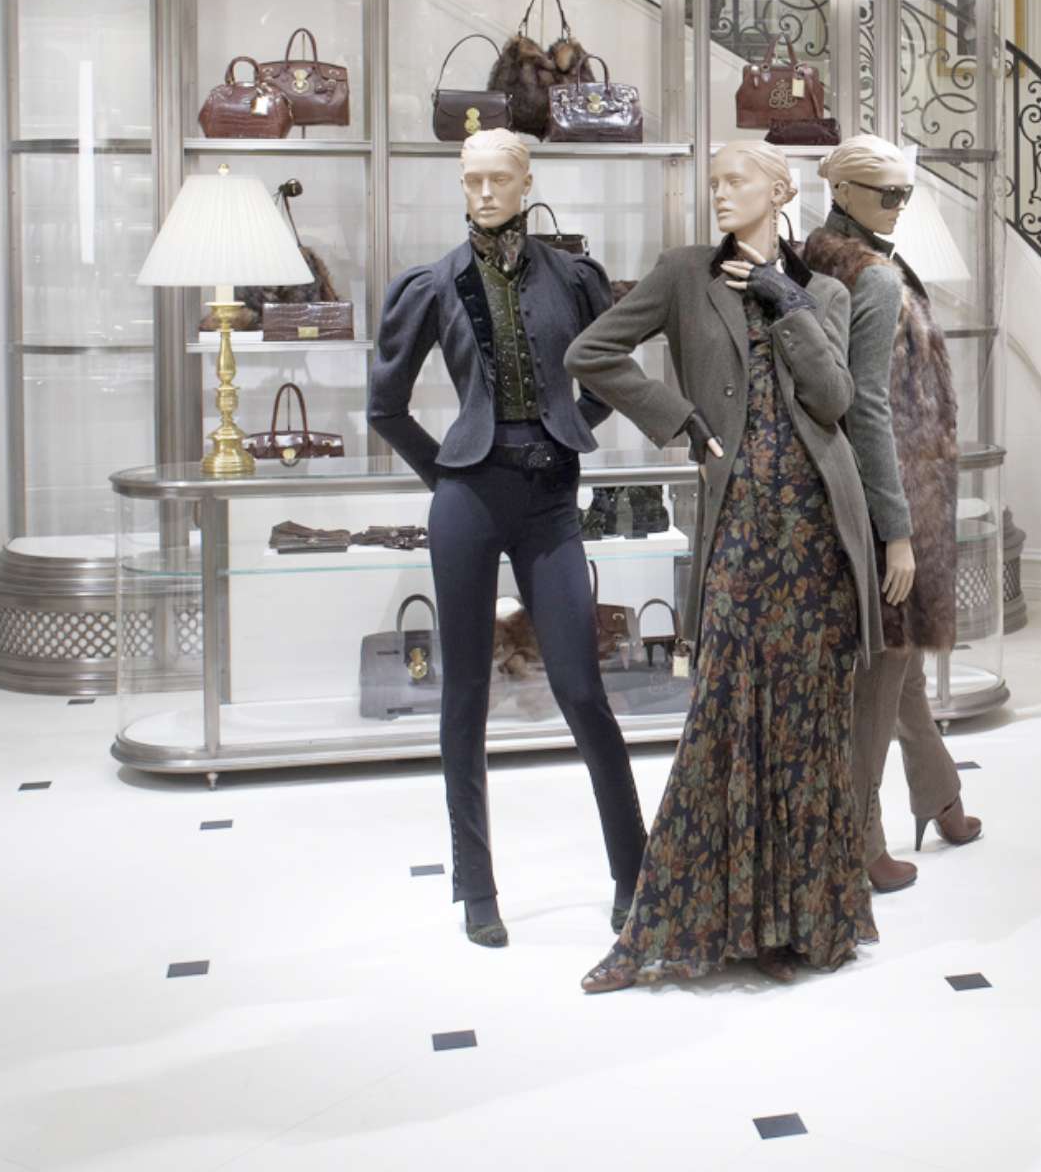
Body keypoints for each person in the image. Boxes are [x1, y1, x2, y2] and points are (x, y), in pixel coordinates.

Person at [565, 142, 880, 990]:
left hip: (818, 529)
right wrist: (677, 420)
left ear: (781, 191)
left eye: (735, 180)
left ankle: (798, 925)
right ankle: (666, 925)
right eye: (712, 183)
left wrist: (789, 305)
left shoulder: (827, 292)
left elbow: (836, 401)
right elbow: (591, 354)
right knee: (724, 719)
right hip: (739, 523)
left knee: (809, 721)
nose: (719, 194)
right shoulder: (681, 274)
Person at [367, 129, 646, 949]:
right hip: (467, 500)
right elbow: (386, 404)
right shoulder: (432, 284)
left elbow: (617, 370)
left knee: (583, 691)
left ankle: (633, 875)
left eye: (499, 178)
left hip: (550, 499)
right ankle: (476, 886)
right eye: (472, 179)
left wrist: (573, 425)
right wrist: (448, 475)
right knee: (466, 696)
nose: (485, 192)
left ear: (527, 180)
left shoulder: (574, 278)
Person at [804, 136, 982, 896]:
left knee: (900, 664)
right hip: (895, 489)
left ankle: (940, 795)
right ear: (842, 191)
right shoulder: (872, 279)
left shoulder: (831, 260)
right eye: (885, 194)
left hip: (891, 483)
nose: (899, 207)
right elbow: (868, 405)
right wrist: (897, 527)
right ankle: (857, 835)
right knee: (881, 673)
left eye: (906, 194)